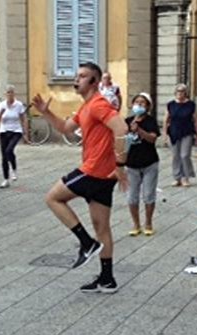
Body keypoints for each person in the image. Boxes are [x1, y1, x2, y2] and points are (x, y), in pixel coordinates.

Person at [32, 62, 128, 293]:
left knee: (53, 198)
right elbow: (65, 128)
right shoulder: (86, 108)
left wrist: (121, 164)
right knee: (102, 227)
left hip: (93, 171)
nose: (77, 79)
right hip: (103, 176)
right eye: (77, 75)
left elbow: (121, 128)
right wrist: (45, 111)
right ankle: (107, 279)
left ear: (94, 82)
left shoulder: (97, 105)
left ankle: (86, 243)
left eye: (83, 76)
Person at [123, 93, 160, 237]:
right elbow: (121, 140)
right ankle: (136, 224)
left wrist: (139, 130)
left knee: (148, 195)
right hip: (131, 164)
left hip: (149, 162)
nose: (139, 105)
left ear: (148, 106)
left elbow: (152, 139)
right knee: (132, 196)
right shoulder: (127, 121)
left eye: (142, 103)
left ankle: (148, 223)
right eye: (137, 102)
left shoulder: (150, 121)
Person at [164, 84, 197, 187]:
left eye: (182, 91)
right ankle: (177, 177)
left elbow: (195, 119)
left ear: (186, 93)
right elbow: (166, 120)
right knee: (175, 156)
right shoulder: (170, 104)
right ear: (175, 93)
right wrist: (165, 135)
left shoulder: (191, 104)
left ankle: (185, 177)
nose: (180, 93)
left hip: (187, 132)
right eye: (178, 91)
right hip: (174, 132)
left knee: (185, 155)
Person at [0, 85, 29, 188]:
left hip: (16, 131)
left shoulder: (18, 105)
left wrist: (25, 133)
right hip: (4, 131)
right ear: (5, 94)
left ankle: (14, 169)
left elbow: (24, 119)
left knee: (9, 150)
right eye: (8, 93)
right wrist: (0, 114)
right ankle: (5, 179)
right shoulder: (2, 105)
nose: (9, 94)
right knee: (4, 156)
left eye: (11, 92)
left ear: (14, 94)